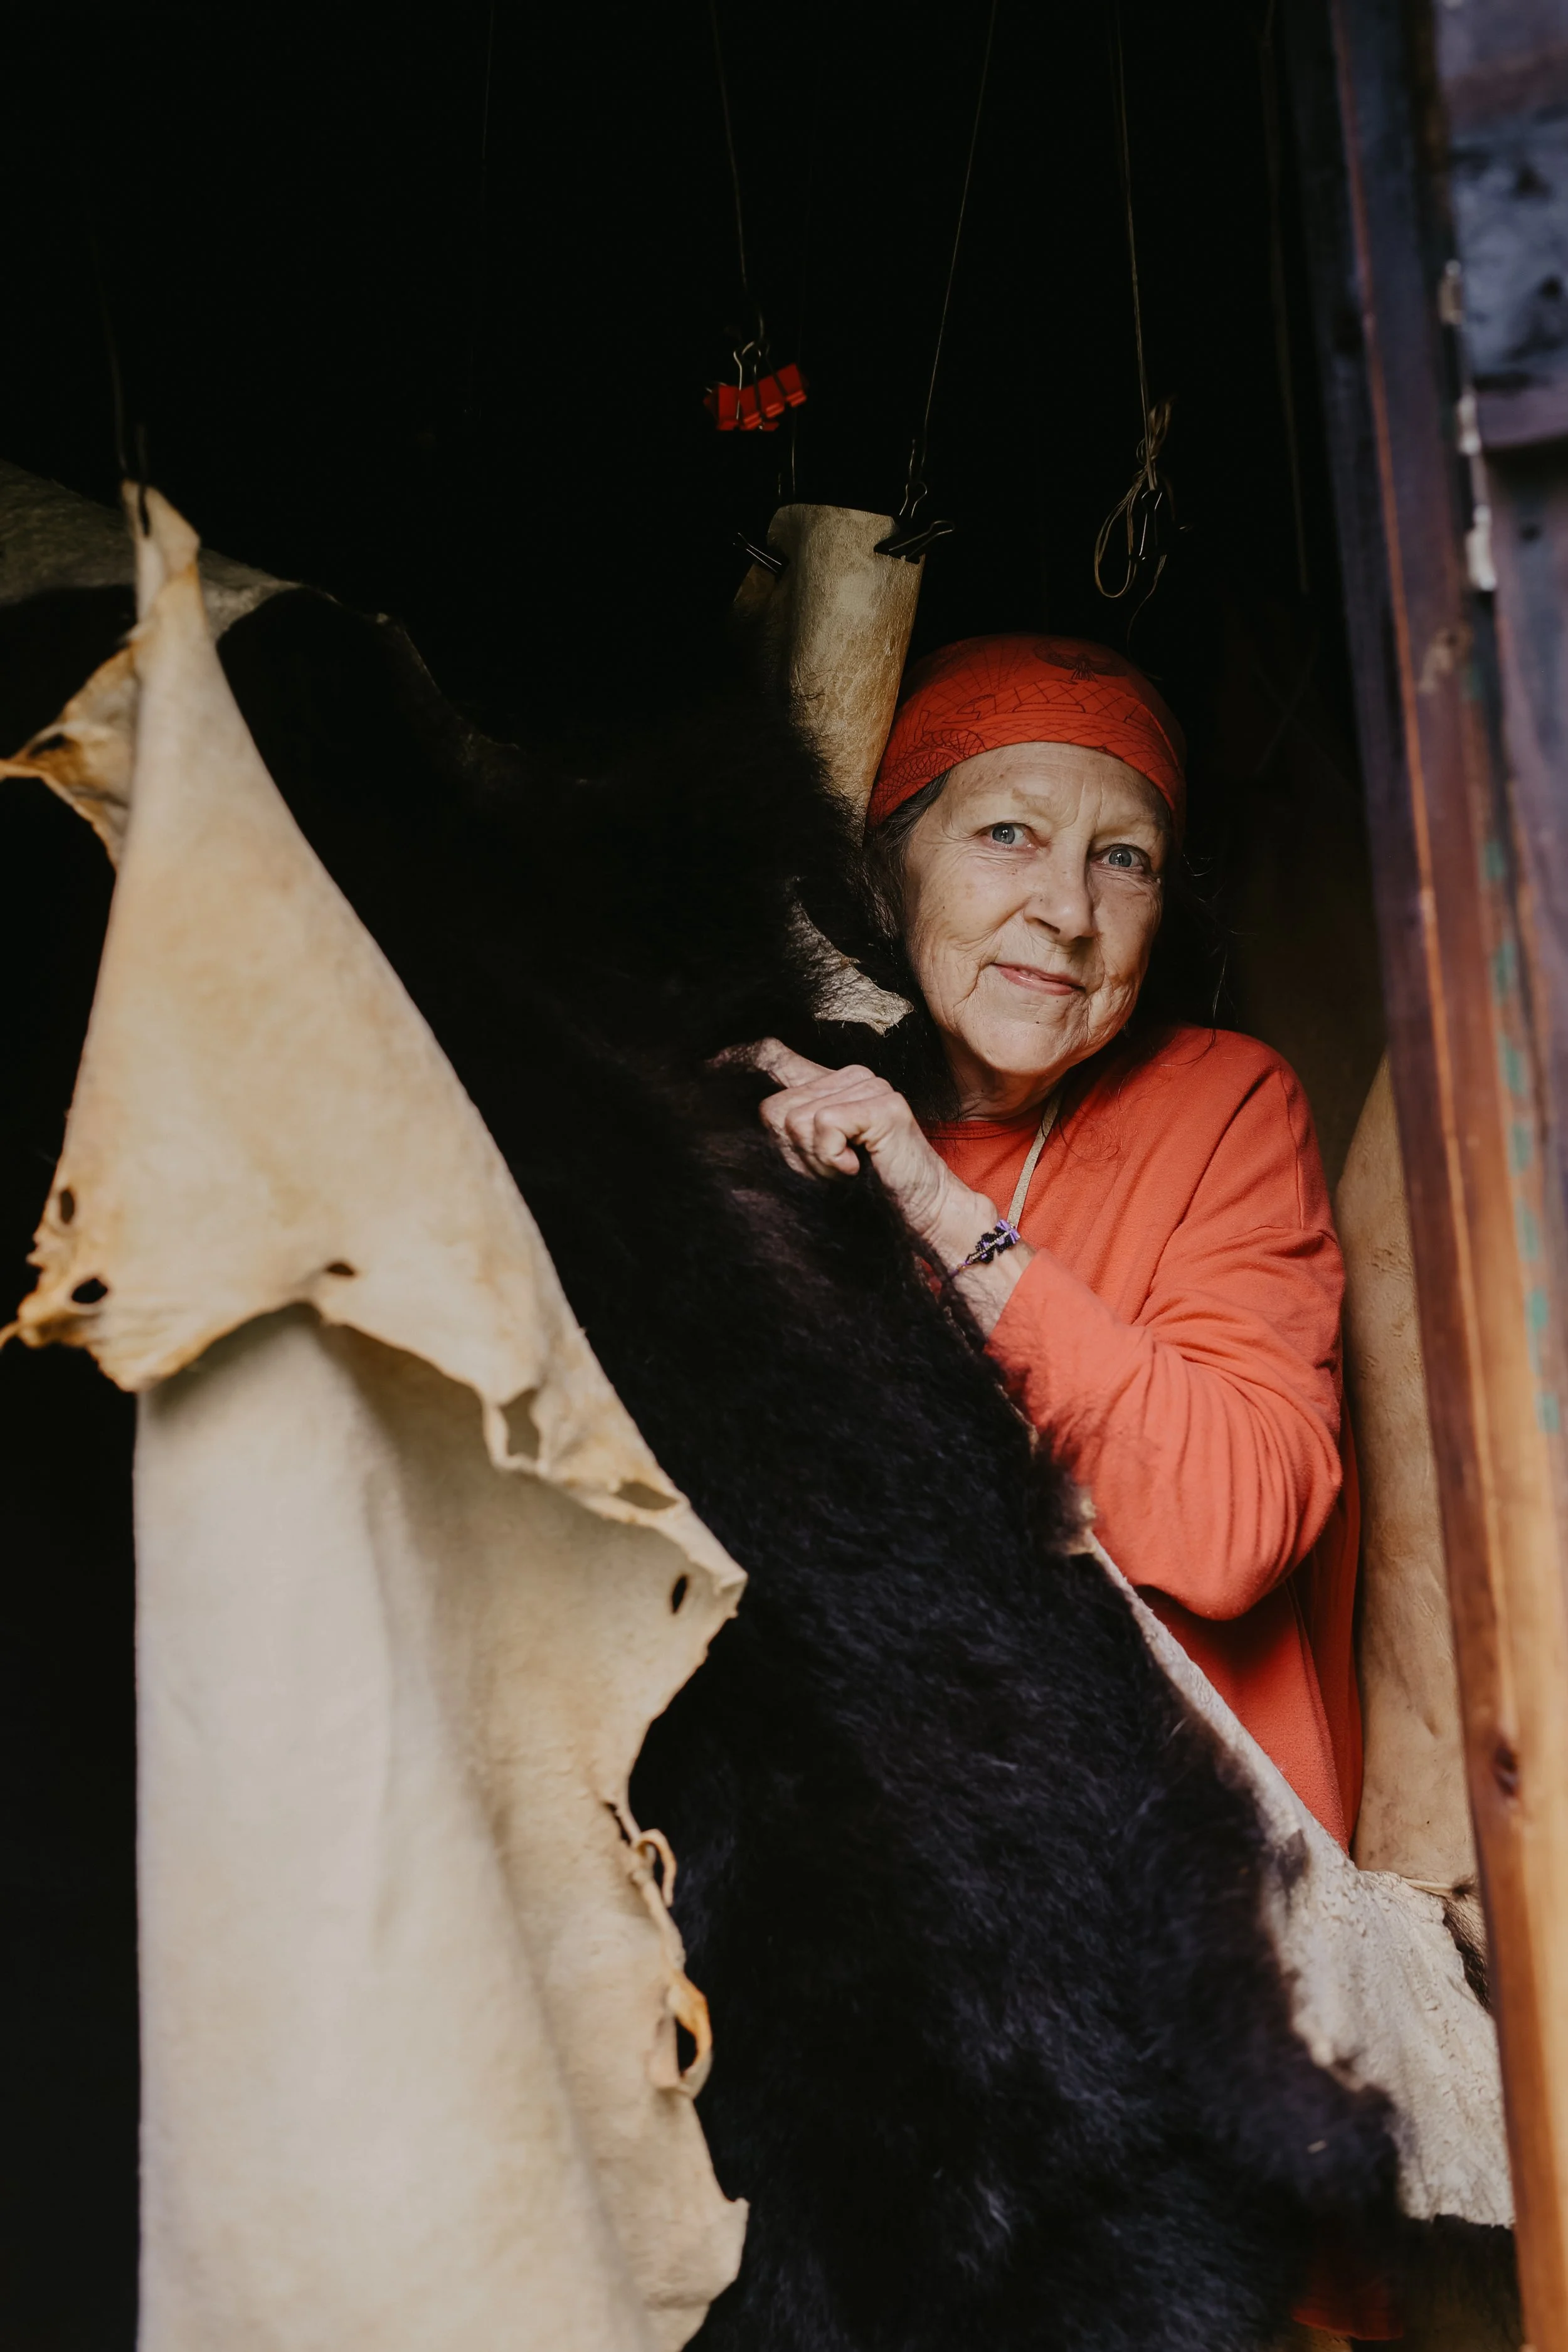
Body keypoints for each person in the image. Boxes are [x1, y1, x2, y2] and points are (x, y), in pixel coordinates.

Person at [752, 634, 1385, 2336]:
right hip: (902, 1984)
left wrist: (939, 1216)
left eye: (1126, 857)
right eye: (1005, 836)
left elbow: (1236, 1516)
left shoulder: (1218, 1104)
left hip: (1176, 1961)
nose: (1067, 909)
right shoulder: (781, 1115)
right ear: (894, 868)